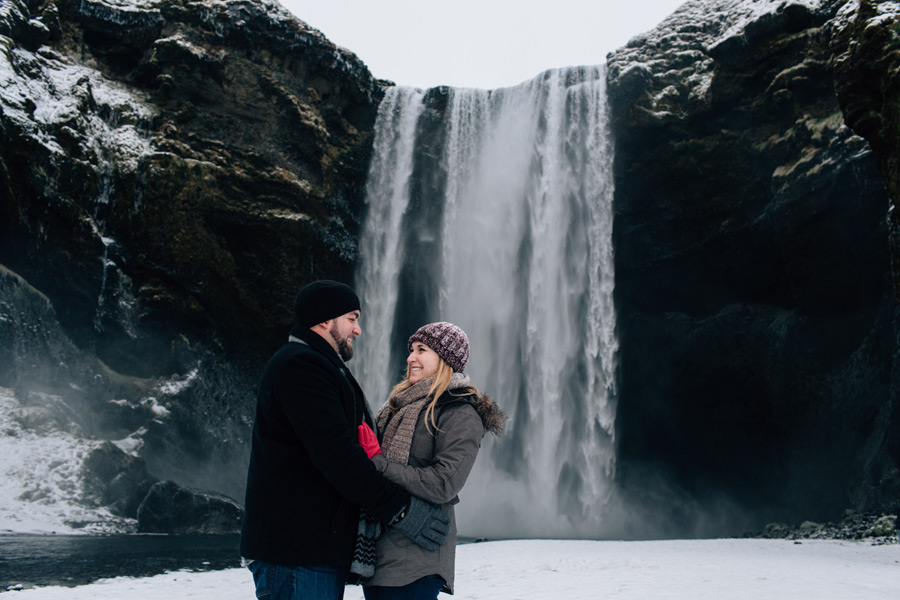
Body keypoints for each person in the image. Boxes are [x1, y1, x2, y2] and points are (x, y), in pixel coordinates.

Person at [240, 280, 452, 600]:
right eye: (352, 318)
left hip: (308, 550)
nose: (358, 330)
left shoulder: (313, 363)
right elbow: (338, 456)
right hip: (297, 552)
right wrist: (399, 510)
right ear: (325, 320)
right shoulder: (302, 366)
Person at [357, 321, 505, 599]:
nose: (411, 357)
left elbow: (444, 484)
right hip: (379, 554)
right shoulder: (398, 406)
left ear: (446, 359)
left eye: (421, 350)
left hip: (418, 558)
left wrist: (378, 462)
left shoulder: (459, 412)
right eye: (411, 349)